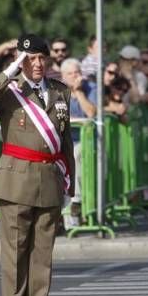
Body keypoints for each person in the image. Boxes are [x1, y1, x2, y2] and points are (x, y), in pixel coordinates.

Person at [0, 33, 75, 296]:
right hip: (16, 180)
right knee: (16, 251)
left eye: (42, 58)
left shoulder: (59, 92)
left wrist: (70, 181)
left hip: (49, 179)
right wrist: (10, 70)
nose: (37, 64)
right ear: (20, 60)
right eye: (30, 59)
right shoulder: (9, 91)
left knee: (42, 253)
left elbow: (64, 140)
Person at [61, 58, 97, 228]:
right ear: (63, 76)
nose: (75, 76)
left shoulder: (90, 89)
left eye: (77, 72)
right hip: (64, 141)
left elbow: (91, 113)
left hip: (87, 142)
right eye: (71, 74)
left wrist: (79, 92)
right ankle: (69, 219)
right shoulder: (57, 91)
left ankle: (78, 203)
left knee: (76, 155)